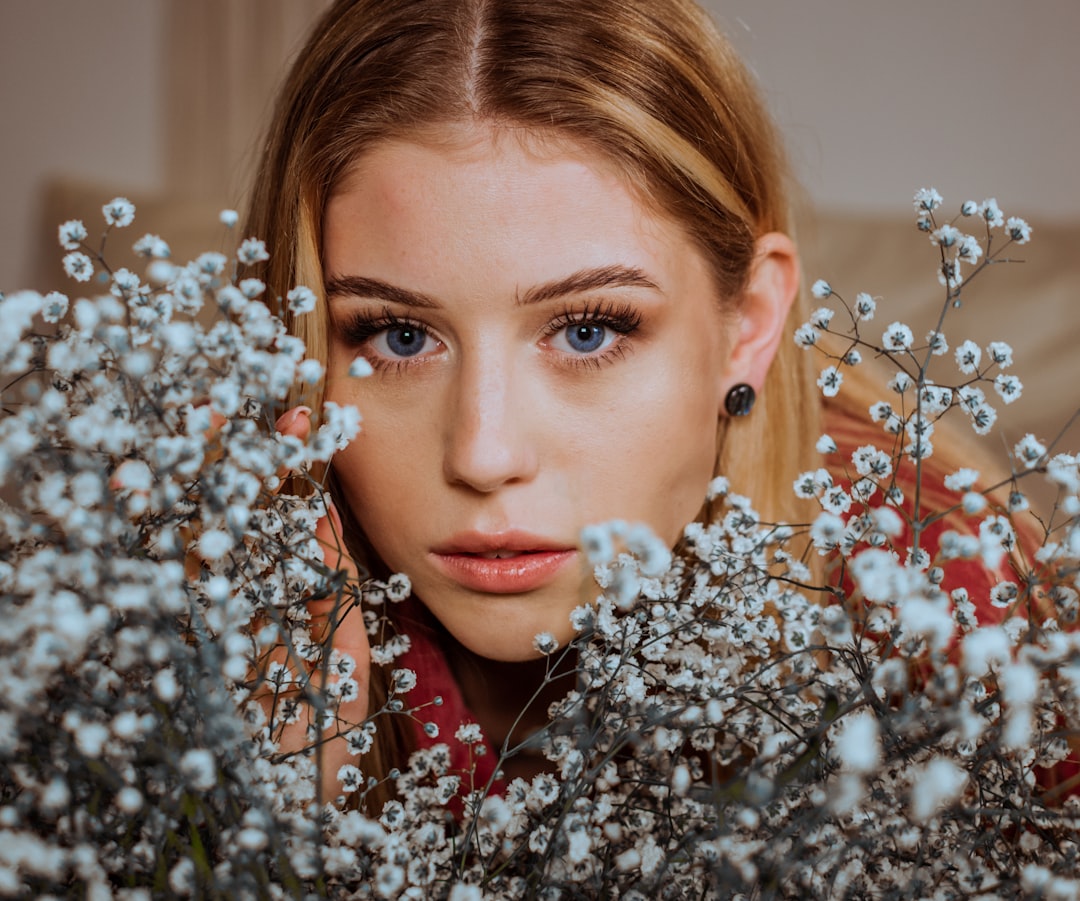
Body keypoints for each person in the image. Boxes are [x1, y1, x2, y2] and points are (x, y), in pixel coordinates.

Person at [242, 0, 1043, 809]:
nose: (484, 455)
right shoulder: (188, 607)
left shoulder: (942, 619)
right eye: (400, 337)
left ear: (749, 323)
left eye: (588, 331)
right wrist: (282, 810)